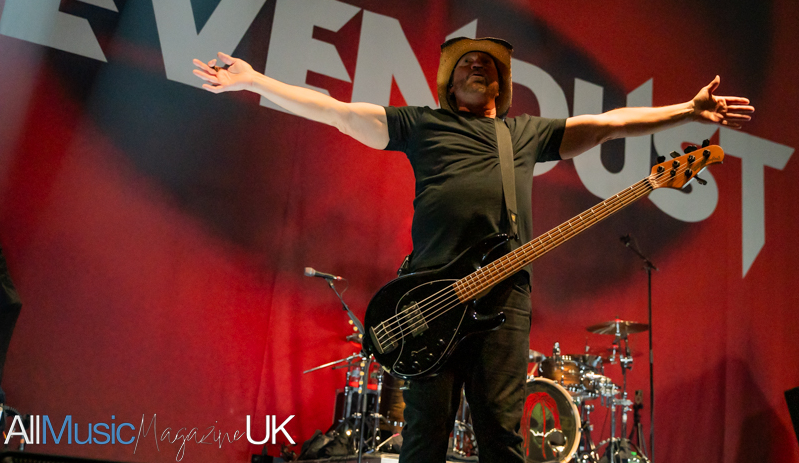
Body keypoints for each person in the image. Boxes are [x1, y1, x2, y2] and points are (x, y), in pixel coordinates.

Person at [192, 37, 753, 462]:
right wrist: (256, 80)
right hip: (428, 301)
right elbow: (336, 111)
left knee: (500, 437)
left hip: (502, 303)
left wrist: (686, 111)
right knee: (424, 439)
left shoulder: (523, 134)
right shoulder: (421, 125)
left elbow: (608, 124)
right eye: (466, 62)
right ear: (448, 81)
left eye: (488, 63)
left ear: (501, 86)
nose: (478, 65)